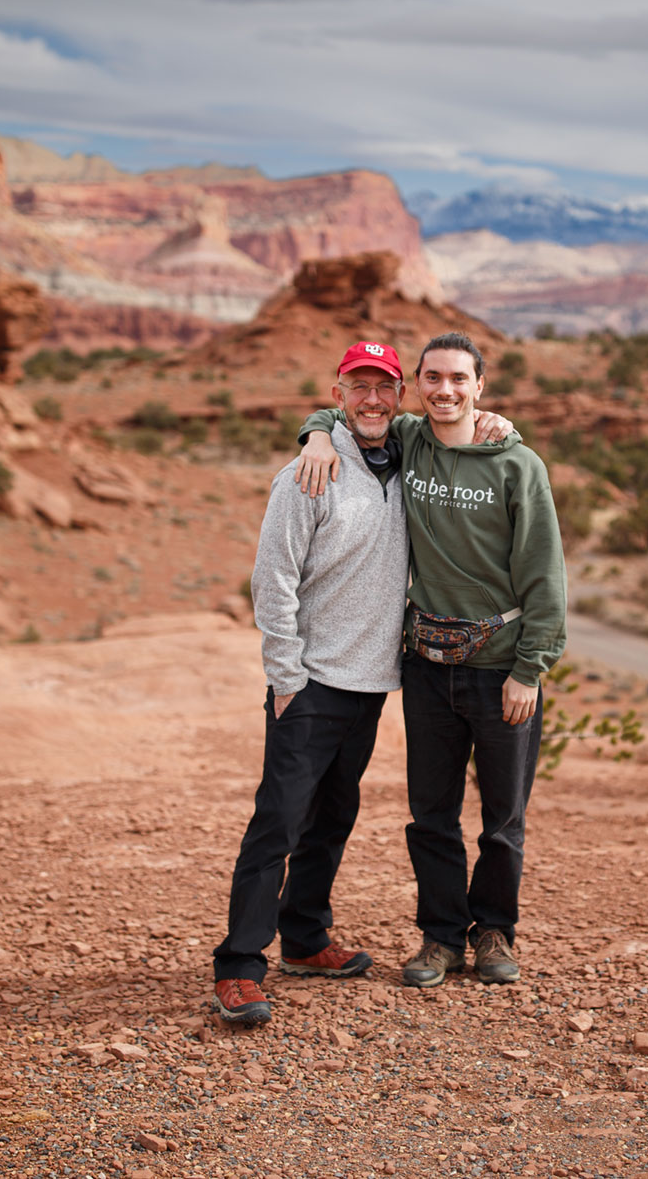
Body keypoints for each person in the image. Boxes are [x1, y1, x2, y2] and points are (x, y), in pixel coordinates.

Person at [211, 342, 512, 1025]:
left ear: (400, 393)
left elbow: (463, 428)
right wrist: (284, 675)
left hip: (372, 682)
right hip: (309, 682)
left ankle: (306, 938)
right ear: (339, 391)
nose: (372, 399)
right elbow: (273, 580)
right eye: (358, 387)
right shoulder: (306, 474)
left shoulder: (412, 460)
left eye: (384, 386)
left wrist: (499, 424)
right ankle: (238, 964)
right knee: (278, 822)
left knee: (332, 818)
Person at [295, 331, 566, 989]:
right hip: (427, 664)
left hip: (502, 667)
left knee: (502, 816)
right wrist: (315, 437)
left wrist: (531, 666)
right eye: (434, 378)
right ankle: (441, 936)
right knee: (432, 813)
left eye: (459, 379)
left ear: (480, 387)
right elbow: (338, 411)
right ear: (418, 385)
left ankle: (494, 929)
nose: (446, 390)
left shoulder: (516, 464)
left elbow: (544, 573)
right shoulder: (408, 438)